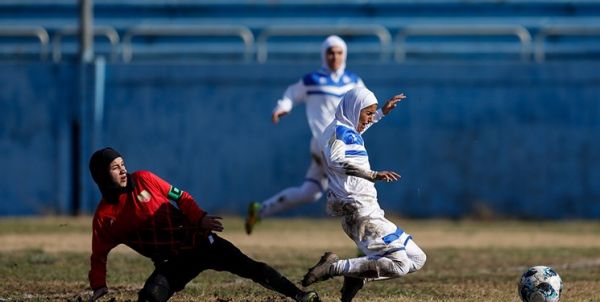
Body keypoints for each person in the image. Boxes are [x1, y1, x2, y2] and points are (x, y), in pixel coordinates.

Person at [87, 147, 320, 302]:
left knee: (251, 268)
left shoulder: (144, 179)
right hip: (174, 262)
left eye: (123, 163)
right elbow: (99, 255)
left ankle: (300, 295)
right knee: (149, 297)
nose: (123, 170)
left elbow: (181, 197)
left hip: (201, 242)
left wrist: (199, 218)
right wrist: (98, 284)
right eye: (115, 167)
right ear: (101, 175)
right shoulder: (105, 218)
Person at [300, 87, 427, 302]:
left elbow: (358, 130)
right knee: (400, 264)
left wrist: (381, 113)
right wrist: (372, 174)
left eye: (370, 113)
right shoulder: (337, 132)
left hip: (370, 210)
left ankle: (356, 276)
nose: (368, 119)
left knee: (417, 258)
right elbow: (336, 161)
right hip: (358, 212)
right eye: (367, 113)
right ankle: (334, 267)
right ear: (353, 109)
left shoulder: (347, 130)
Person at [245, 35, 366, 234]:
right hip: (323, 144)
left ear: (345, 54)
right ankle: (364, 242)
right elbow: (291, 94)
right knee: (351, 188)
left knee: (310, 192)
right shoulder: (313, 80)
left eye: (338, 52)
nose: (334, 56)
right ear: (323, 54)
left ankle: (260, 210)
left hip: (342, 145)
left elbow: (364, 105)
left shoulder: (354, 81)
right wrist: (282, 107)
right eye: (330, 52)